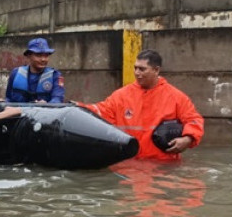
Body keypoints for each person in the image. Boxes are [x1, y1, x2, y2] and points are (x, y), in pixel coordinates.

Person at [76, 49, 204, 161]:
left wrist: (187, 139)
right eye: (135, 68)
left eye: (142, 69)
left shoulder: (176, 97)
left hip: (162, 165)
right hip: (129, 164)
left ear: (156, 70)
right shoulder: (121, 95)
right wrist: (77, 107)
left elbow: (194, 120)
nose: (137, 73)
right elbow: (101, 111)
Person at [5, 38, 65, 103]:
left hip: (44, 112)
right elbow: (8, 98)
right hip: (18, 111)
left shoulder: (55, 75)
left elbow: (58, 99)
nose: (43, 59)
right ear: (29, 56)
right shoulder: (15, 73)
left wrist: (47, 104)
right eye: (38, 55)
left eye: (46, 56)